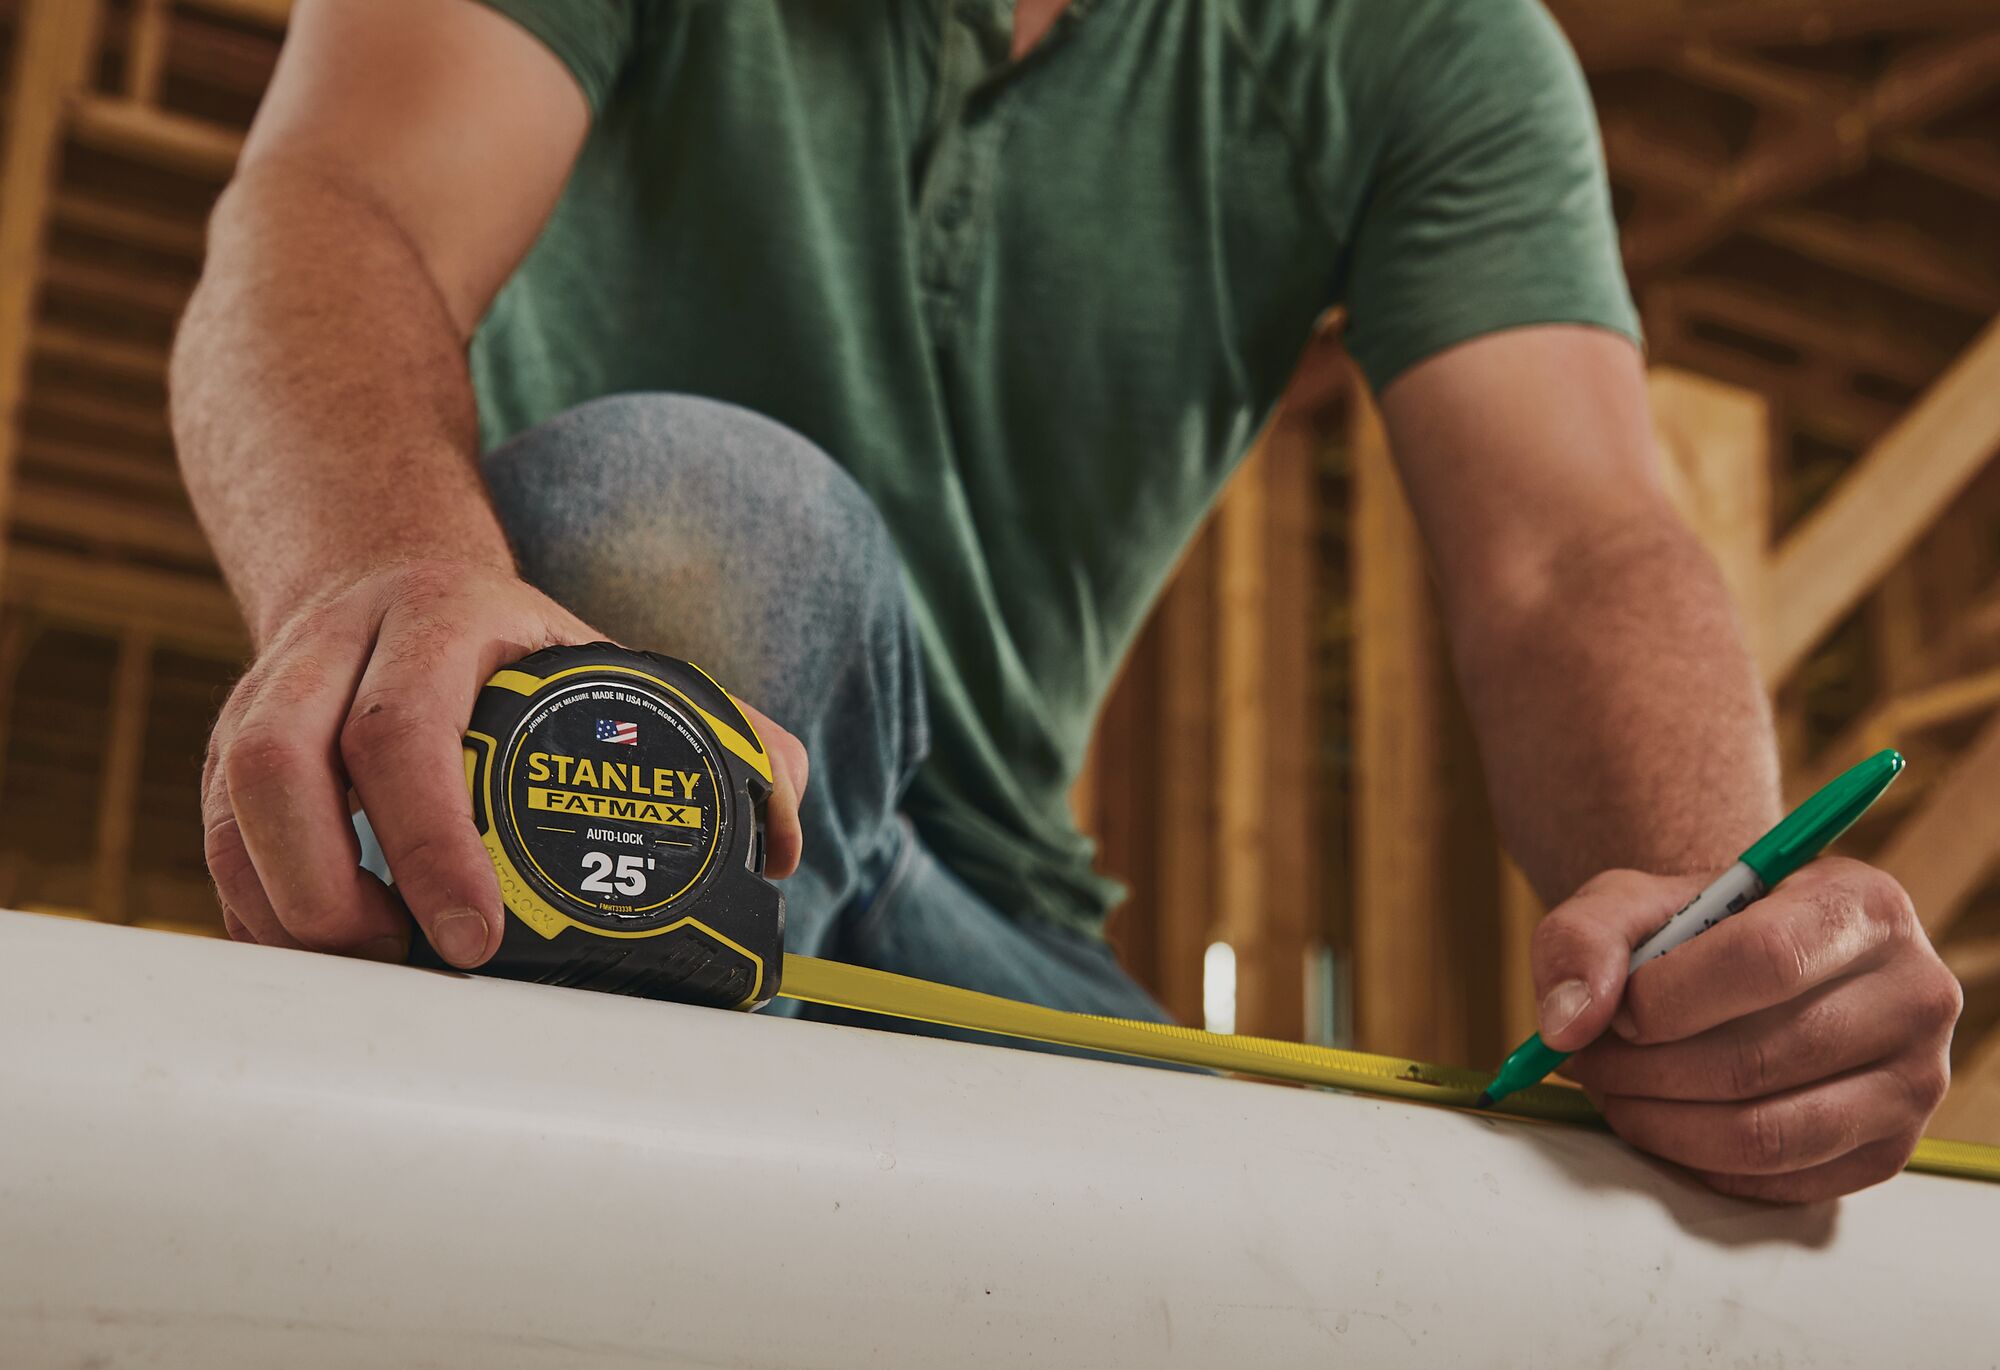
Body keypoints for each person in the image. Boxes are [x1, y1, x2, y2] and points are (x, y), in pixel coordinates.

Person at [172, 0, 1960, 1203]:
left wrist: (1727, 944)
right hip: (611, 803)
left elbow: (1574, 549)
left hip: (995, 935)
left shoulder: (1424, 44)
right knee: (681, 534)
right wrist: (376, 564)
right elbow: (336, 204)